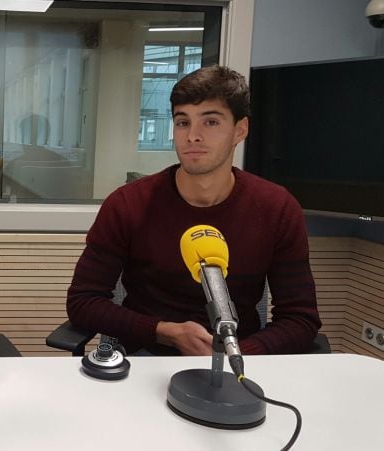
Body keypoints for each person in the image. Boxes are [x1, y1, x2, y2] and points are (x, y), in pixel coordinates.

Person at [67, 65, 321, 356]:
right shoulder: (128, 204)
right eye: (183, 122)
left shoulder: (277, 208)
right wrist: (165, 332)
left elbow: (301, 319)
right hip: (145, 358)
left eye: (210, 122)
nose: (192, 136)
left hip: (240, 360)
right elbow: (83, 302)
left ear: (240, 130)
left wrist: (237, 355)